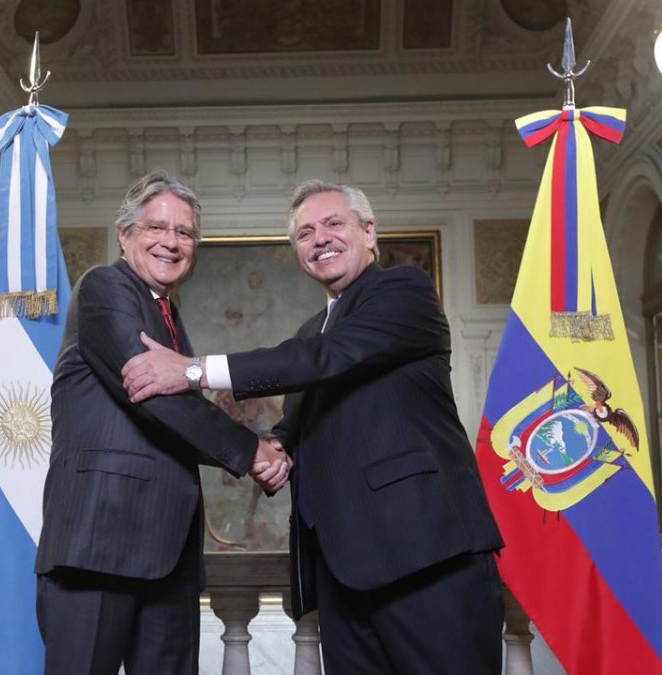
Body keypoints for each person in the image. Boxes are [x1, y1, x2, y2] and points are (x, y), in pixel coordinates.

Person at [121, 179, 505, 674]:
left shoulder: (404, 292)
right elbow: (298, 427)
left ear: (370, 233)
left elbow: (322, 359)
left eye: (333, 224)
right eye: (304, 233)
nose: (319, 238)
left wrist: (192, 370)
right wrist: (266, 450)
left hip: (428, 563)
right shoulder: (309, 330)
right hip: (344, 577)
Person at [34, 171, 290, 675]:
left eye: (185, 233)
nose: (171, 242)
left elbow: (178, 415)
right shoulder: (105, 287)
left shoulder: (168, 313)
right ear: (126, 235)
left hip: (168, 554)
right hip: (98, 547)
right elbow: (151, 396)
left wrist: (259, 444)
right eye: (157, 228)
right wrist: (251, 451)